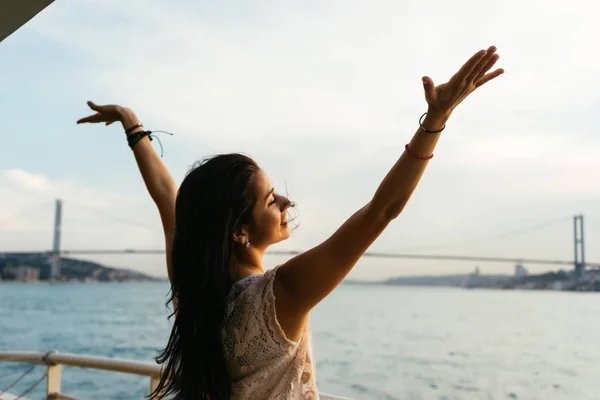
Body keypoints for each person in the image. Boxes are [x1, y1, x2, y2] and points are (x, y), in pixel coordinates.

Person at [77, 46, 504, 400]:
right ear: (239, 232)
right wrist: (436, 120)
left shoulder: (194, 284)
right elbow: (381, 211)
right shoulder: (280, 295)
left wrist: (133, 126)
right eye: (270, 200)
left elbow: (169, 201)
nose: (286, 201)